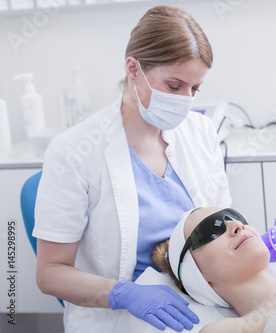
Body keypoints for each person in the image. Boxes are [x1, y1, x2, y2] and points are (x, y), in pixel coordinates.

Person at [33, 6, 229, 333]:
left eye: (195, 89)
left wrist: (261, 245)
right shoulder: (74, 151)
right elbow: (49, 272)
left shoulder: (201, 132)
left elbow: (221, 227)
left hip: (203, 301)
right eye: (174, 85)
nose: (186, 100)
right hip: (118, 317)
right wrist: (122, 294)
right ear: (133, 68)